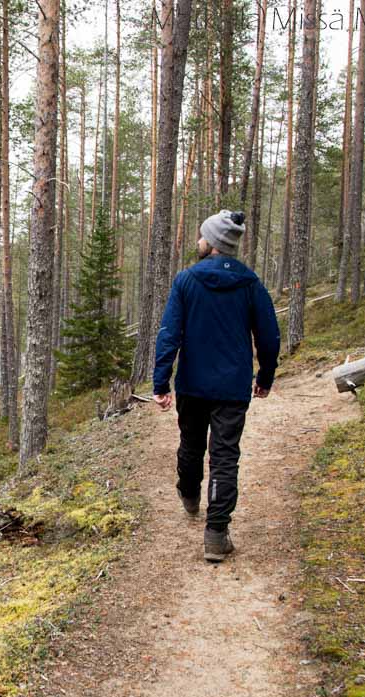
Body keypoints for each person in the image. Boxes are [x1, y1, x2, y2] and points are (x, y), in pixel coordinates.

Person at [151, 210, 280, 562]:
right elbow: (269, 336)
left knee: (191, 444)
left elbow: (169, 334)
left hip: (192, 384)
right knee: (225, 457)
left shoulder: (186, 281)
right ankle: (216, 534)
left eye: (201, 235)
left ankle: (189, 495)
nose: (197, 240)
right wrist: (265, 376)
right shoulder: (250, 284)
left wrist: (161, 381)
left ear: (212, 242)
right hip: (232, 389)